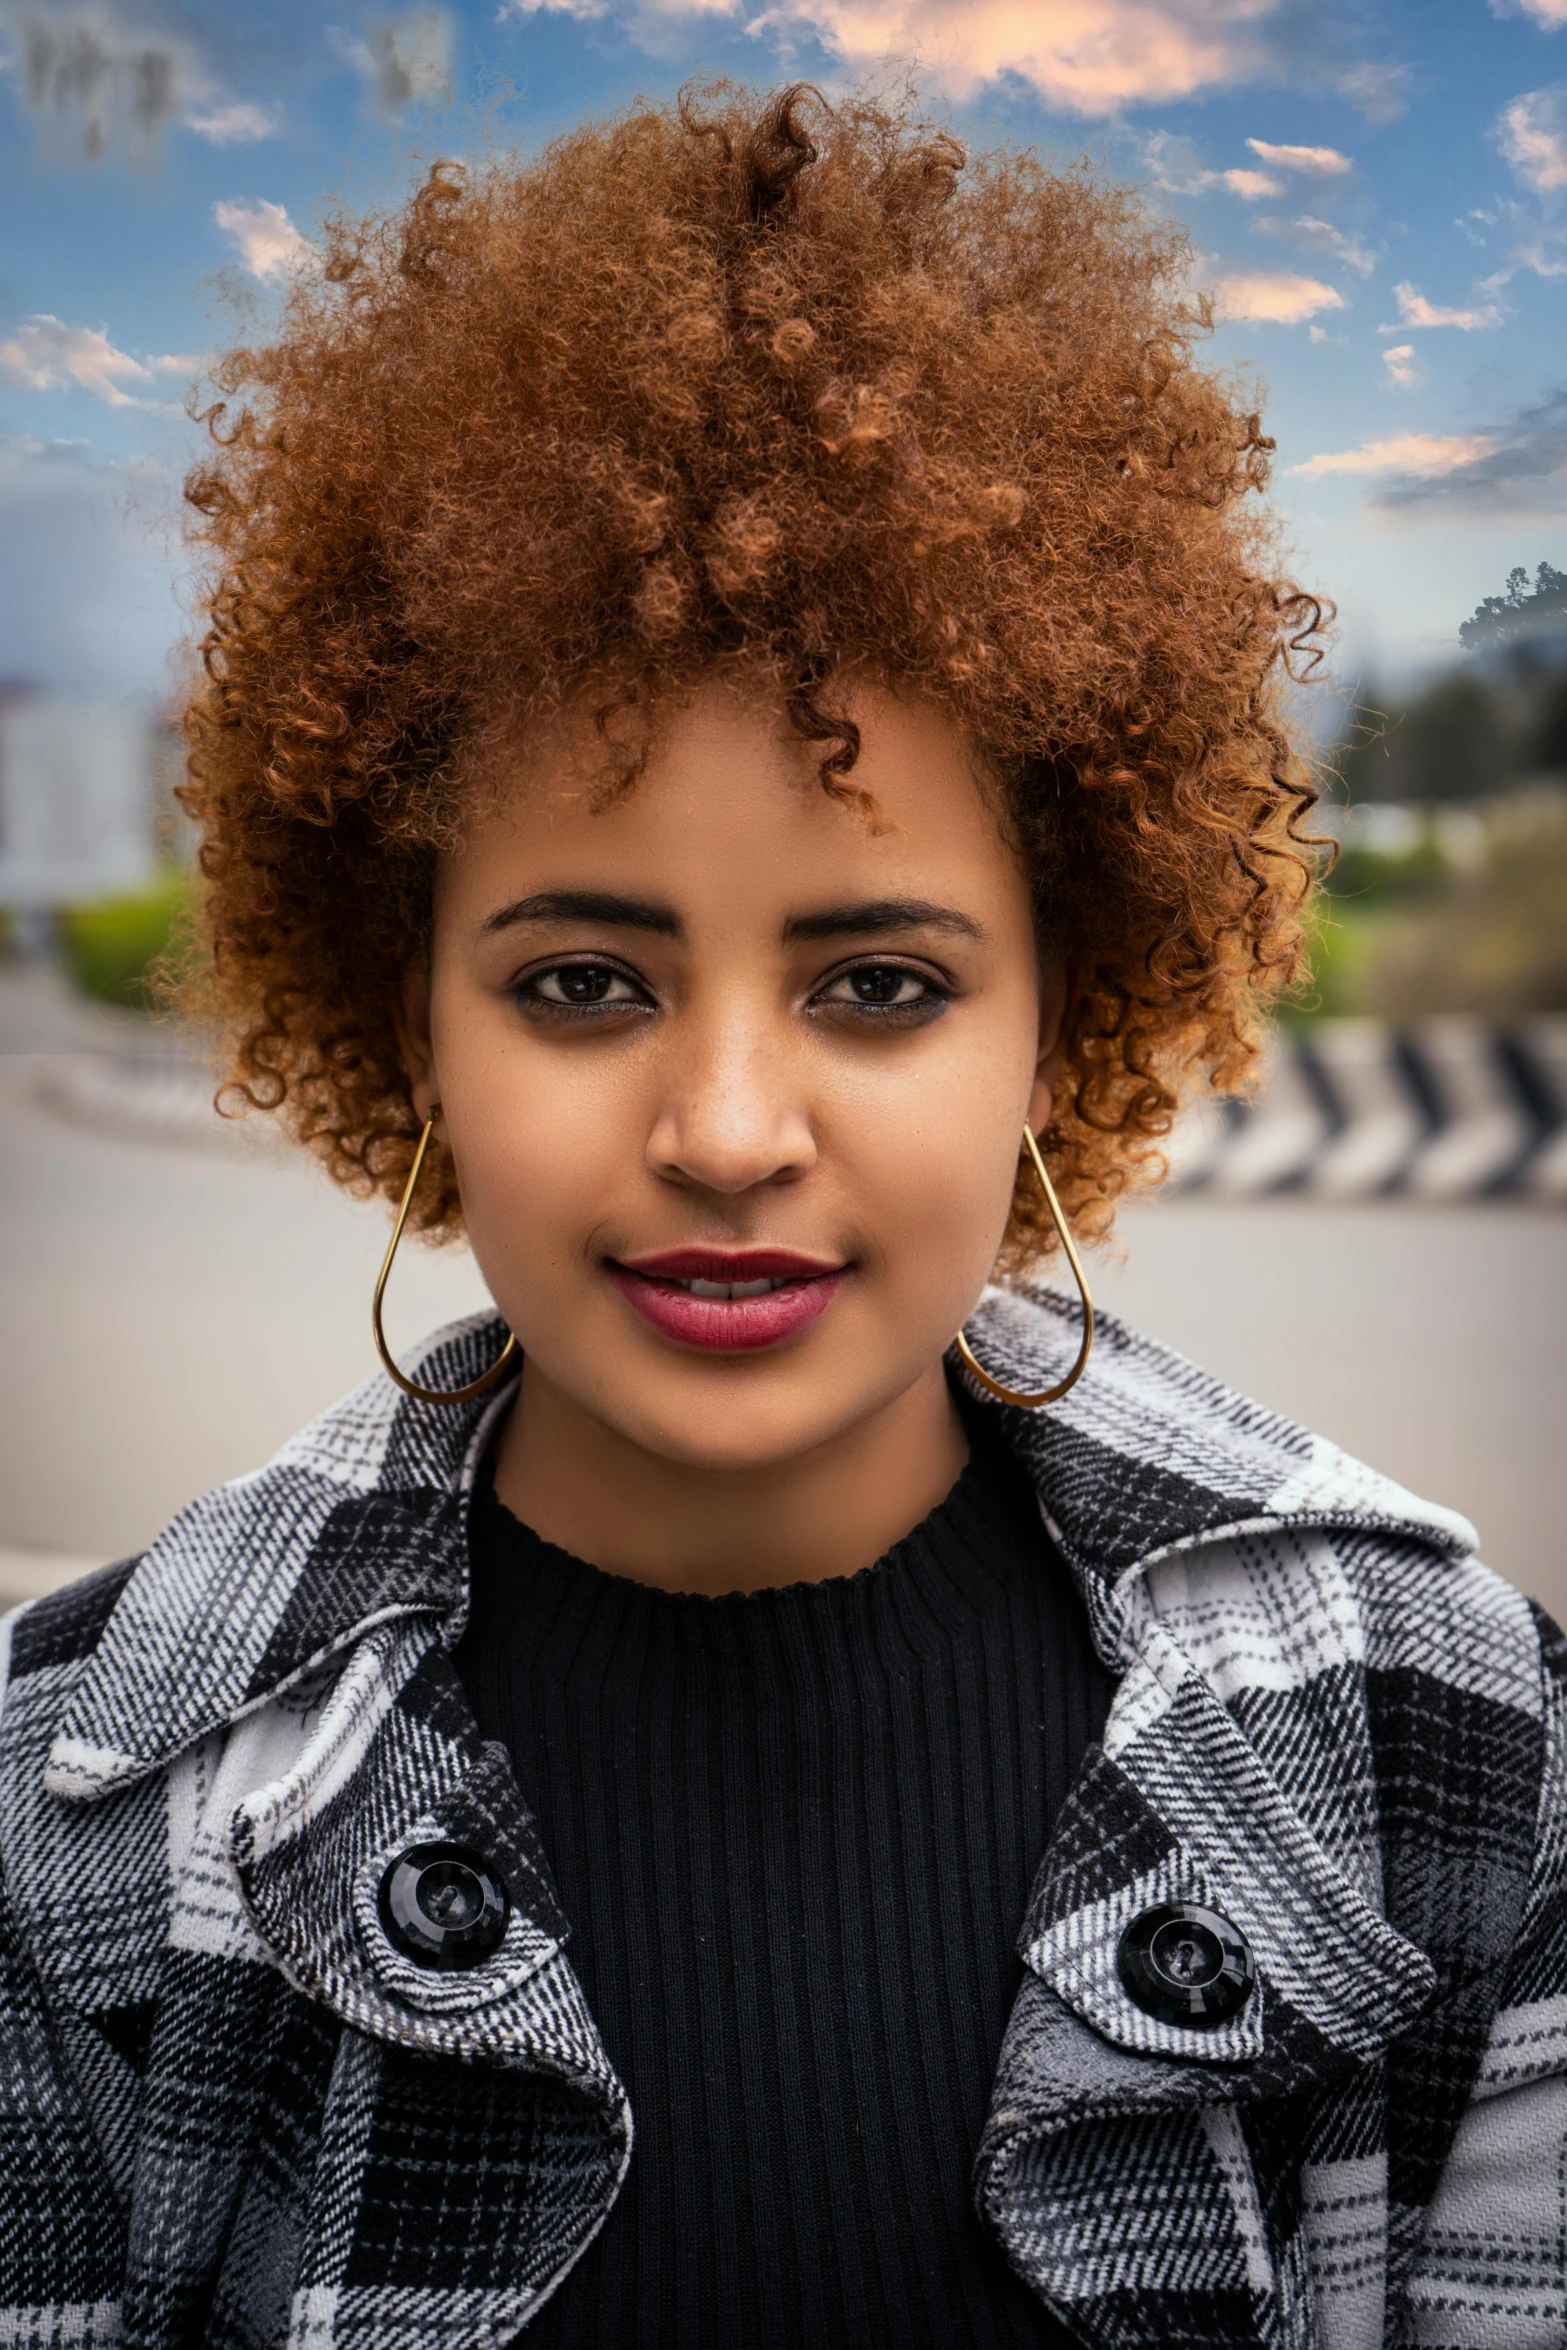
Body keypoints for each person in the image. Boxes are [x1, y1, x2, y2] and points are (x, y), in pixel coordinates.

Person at [2, 81, 1562, 2350]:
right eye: (581, 982)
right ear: (407, 1018)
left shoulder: (1458, 1742)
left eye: (880, 982)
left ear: (1067, 1009)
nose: (729, 1124)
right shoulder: (76, 1830)